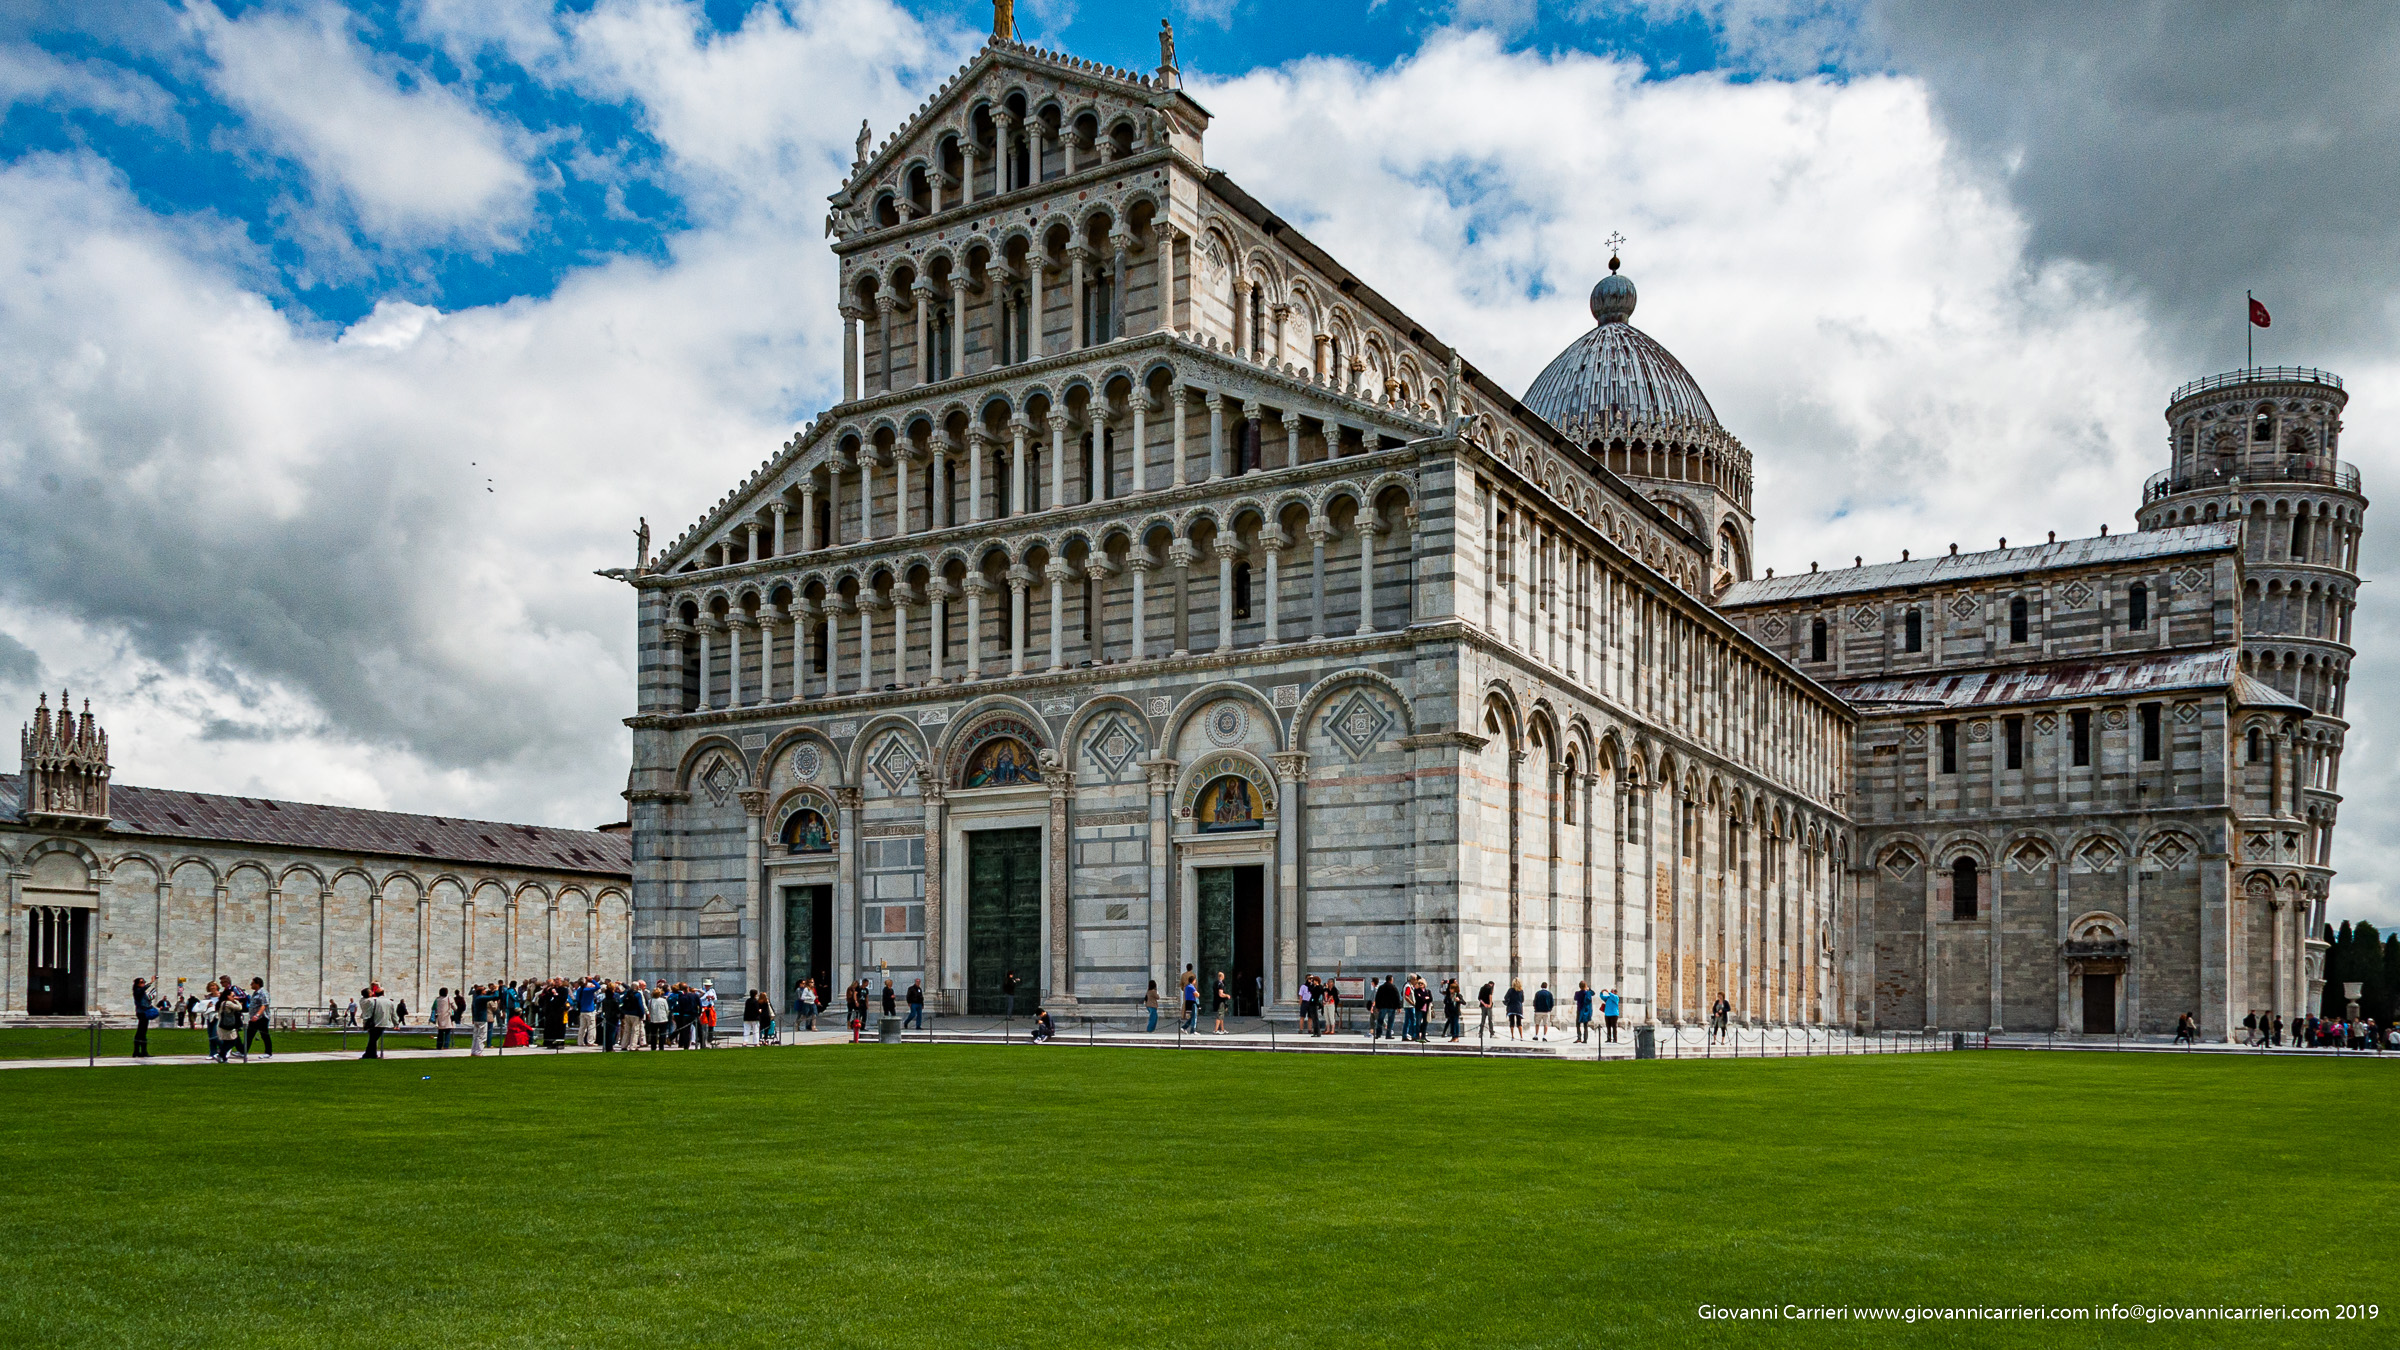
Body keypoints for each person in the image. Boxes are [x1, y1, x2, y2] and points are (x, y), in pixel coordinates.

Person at [359, 983, 396, 1059]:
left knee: (373, 1038)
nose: (373, 992)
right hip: (378, 1022)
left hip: (373, 1022)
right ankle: (367, 1055)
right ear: (369, 994)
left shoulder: (364, 1000)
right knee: (373, 1039)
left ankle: (372, 1054)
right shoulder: (370, 1001)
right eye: (371, 991)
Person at [242, 977, 275, 1057]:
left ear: (257, 984)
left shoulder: (263, 992)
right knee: (249, 1035)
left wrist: (257, 1015)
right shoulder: (256, 993)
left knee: (264, 1035)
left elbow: (264, 1005)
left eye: (252, 983)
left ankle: (268, 1052)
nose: (251, 985)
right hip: (254, 1018)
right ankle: (243, 1052)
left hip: (261, 1018)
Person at [215, 983, 247, 1062]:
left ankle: (223, 1058)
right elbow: (239, 1008)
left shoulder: (222, 1003)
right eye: (232, 996)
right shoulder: (228, 1003)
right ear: (228, 996)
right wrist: (237, 1000)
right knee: (232, 1041)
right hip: (228, 1025)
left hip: (222, 1025)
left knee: (226, 1042)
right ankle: (221, 1053)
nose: (234, 997)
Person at [131, 977, 154, 1058]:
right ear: (137, 984)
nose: (143, 983)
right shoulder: (137, 991)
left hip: (144, 1012)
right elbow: (142, 990)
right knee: (141, 1031)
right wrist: (151, 982)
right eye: (141, 982)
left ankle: (140, 1051)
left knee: (142, 1031)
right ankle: (139, 1051)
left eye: (144, 982)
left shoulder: (141, 992)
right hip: (142, 1013)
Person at [1373, 976, 1401, 1040]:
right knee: (1390, 1021)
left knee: (1380, 1020)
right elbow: (1397, 997)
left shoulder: (1381, 987)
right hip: (1391, 1007)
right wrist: (1399, 1007)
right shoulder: (1393, 987)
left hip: (1383, 1007)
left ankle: (1378, 1034)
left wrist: (1377, 1007)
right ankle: (1388, 1035)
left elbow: (1377, 998)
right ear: (1391, 980)